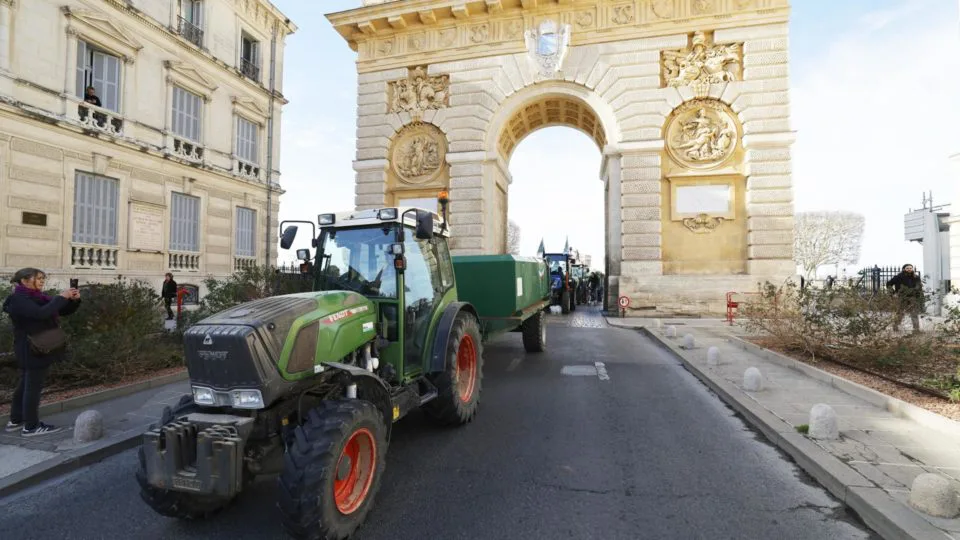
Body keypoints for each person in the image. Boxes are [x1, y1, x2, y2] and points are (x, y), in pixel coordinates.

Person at [2, 268, 81, 436]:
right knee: (33, 387)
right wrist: (61, 297)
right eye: (38, 278)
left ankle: (16, 420)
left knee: (25, 385)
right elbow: (40, 313)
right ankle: (31, 426)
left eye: (43, 278)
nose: (42, 281)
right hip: (31, 348)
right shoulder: (18, 299)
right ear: (24, 280)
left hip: (36, 347)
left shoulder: (36, 297)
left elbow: (60, 310)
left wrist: (73, 301)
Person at [886, 263, 923, 333]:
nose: (909, 269)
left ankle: (916, 329)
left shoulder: (916, 277)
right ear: (904, 269)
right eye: (907, 268)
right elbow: (889, 284)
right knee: (900, 312)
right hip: (902, 297)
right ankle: (895, 326)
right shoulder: (898, 277)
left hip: (913, 297)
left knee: (914, 313)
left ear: (912, 269)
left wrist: (919, 296)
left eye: (910, 268)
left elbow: (919, 287)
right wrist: (893, 293)